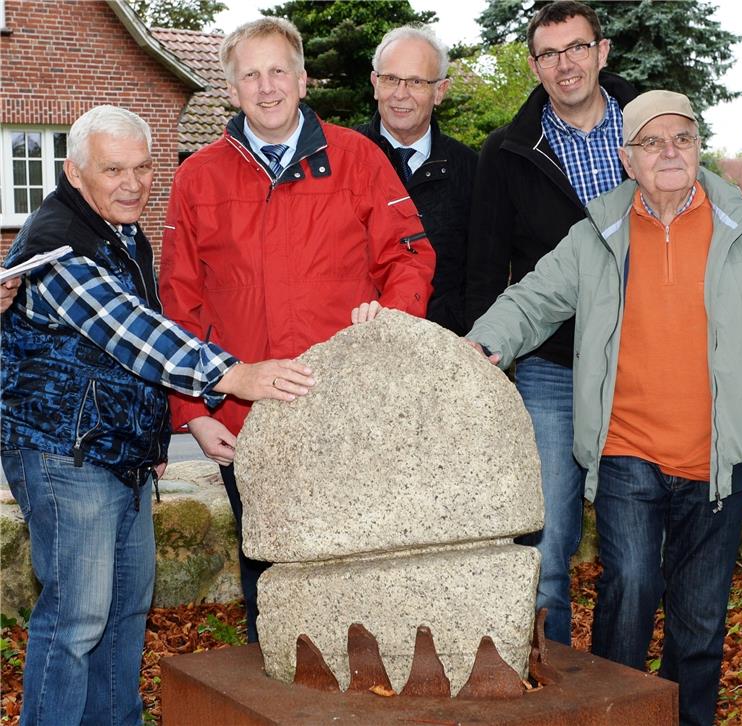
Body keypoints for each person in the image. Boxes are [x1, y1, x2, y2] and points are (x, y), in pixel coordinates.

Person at [466, 90, 742, 726]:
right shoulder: (598, 232)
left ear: (698, 147)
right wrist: (482, 344)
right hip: (627, 452)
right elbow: (534, 298)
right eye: (652, 141)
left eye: (682, 138)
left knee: (699, 624)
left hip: (720, 458)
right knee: (629, 595)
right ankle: (614, 717)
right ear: (627, 158)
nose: (669, 152)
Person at [0, 105, 315, 726]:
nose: (133, 184)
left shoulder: (119, 231)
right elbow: (135, 334)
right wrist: (234, 374)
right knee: (76, 620)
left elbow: (129, 356)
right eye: (113, 169)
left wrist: (162, 433)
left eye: (143, 168)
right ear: (74, 173)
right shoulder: (58, 247)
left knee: (124, 615)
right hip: (67, 454)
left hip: (119, 454)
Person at [159, 17, 436, 643]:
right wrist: (193, 411)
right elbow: (179, 302)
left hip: (348, 408)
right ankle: (275, 682)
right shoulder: (198, 176)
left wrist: (390, 319)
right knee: (269, 574)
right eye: (250, 75)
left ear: (303, 79)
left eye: (278, 71)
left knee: (358, 565)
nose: (267, 87)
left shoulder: (358, 158)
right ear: (231, 89)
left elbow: (410, 256)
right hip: (245, 418)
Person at [465, 0, 637, 645]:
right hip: (552, 369)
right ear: (535, 66)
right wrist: (488, 364)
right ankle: (554, 678)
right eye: (549, 53)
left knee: (636, 551)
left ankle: (616, 681)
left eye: (577, 48)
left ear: (602, 52)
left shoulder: (649, 130)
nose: (565, 64)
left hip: (642, 365)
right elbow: (486, 268)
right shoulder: (508, 152)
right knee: (546, 545)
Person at [356, 24, 477, 335]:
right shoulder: (344, 160)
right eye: (390, 79)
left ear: (440, 91)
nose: (400, 94)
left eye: (416, 82)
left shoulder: (471, 169)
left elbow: (482, 273)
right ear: (375, 83)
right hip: (355, 342)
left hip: (445, 346)